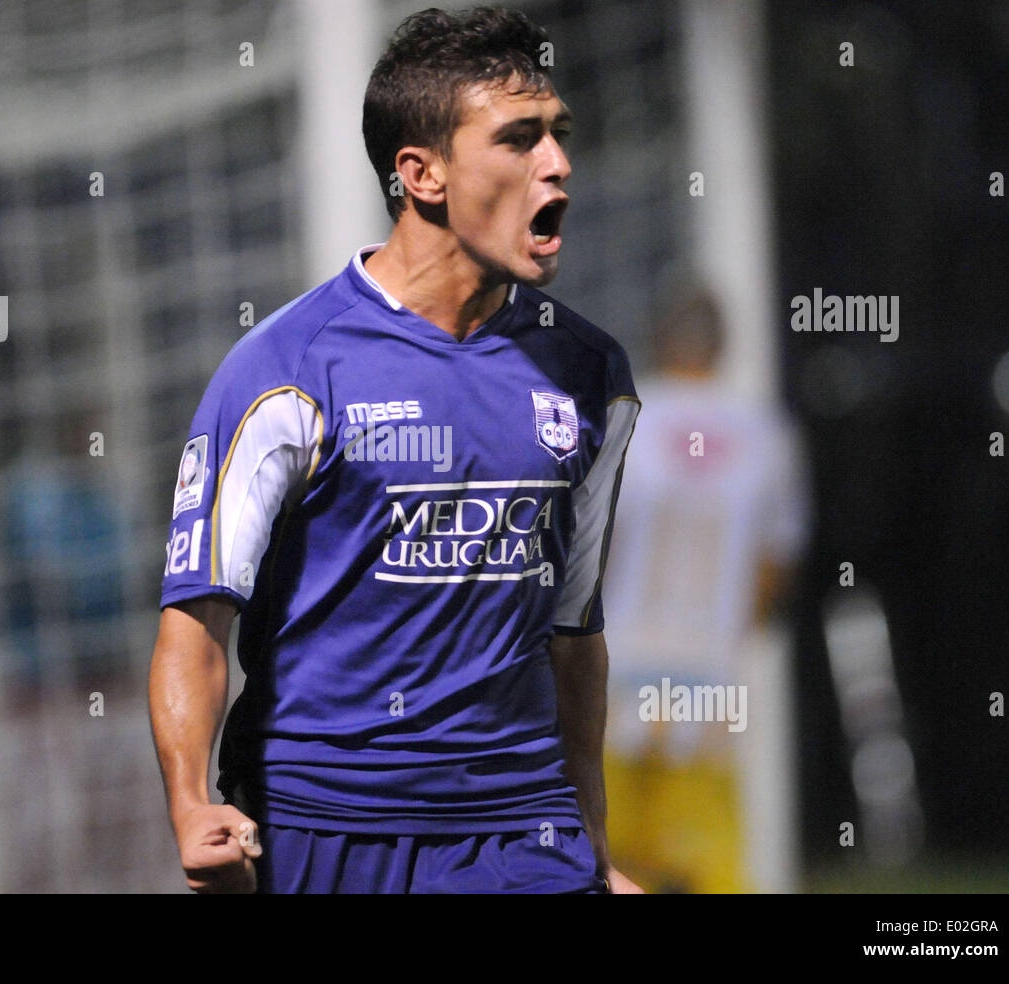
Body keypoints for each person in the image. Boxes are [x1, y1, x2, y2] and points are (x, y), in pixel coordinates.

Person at [149, 5, 642, 894]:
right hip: (324, 824)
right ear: (422, 175)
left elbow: (574, 631)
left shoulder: (588, 372)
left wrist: (595, 845)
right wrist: (191, 803)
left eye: (558, 134)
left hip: (521, 826)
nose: (558, 162)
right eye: (519, 138)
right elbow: (197, 619)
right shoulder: (286, 369)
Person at [599, 287, 809, 892]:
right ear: (725, 346)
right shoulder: (765, 434)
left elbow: (592, 545)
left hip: (621, 660)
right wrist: (736, 634)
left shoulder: (624, 418)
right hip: (708, 669)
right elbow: (776, 561)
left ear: (658, 342)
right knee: (709, 843)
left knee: (614, 846)